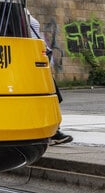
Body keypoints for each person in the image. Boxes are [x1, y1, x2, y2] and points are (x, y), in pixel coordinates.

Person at [27, 9, 73, 145]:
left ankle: (52, 131)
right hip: (28, 59)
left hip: (37, 58)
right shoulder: (7, 8)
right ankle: (51, 133)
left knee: (51, 94)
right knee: (44, 95)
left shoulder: (20, 5)